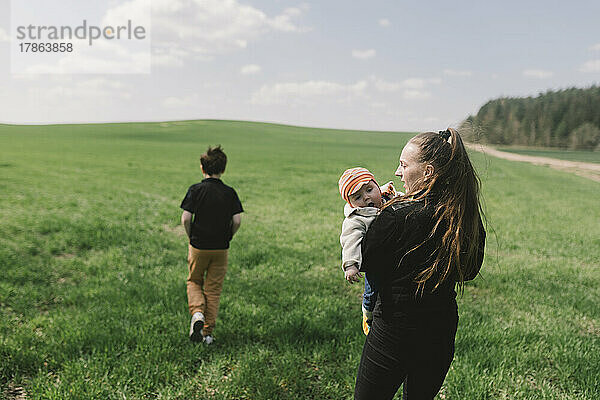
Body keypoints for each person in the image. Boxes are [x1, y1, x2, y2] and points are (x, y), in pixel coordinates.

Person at [354, 128, 486, 399]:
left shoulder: (396, 216)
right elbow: (469, 271)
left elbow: (366, 260)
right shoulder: (463, 216)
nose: (397, 172)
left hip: (393, 332)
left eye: (403, 165)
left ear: (427, 172)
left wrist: (363, 217)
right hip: (440, 333)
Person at [180, 145, 243, 345]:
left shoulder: (196, 190)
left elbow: (185, 218)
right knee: (213, 289)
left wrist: (191, 236)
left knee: (194, 281)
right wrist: (229, 237)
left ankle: (197, 313)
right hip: (221, 247)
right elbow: (237, 220)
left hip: (198, 245)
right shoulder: (229, 192)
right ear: (223, 169)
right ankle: (207, 334)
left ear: (202, 168)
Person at [338, 167, 397, 335]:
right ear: (351, 203)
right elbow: (350, 241)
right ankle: (368, 314)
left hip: (392, 259)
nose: (366, 197)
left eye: (370, 190)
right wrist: (351, 265)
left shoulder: (387, 199)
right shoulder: (356, 218)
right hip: (375, 264)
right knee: (372, 291)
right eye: (358, 197)